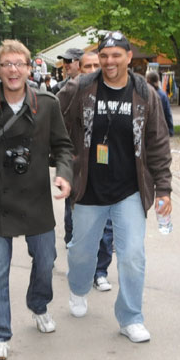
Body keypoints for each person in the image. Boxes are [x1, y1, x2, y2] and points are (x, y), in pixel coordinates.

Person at [0, 40, 74, 360]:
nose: (13, 70)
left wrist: (64, 173)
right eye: (6, 64)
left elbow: (63, 146)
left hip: (36, 199)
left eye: (19, 64)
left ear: (29, 68)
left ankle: (38, 304)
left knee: (46, 260)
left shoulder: (46, 103)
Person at [58, 31, 172, 343]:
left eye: (116, 55)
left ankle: (131, 317)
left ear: (128, 57)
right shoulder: (80, 88)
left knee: (133, 254)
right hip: (88, 188)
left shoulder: (144, 93)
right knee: (81, 251)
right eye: (104, 55)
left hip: (129, 190)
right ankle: (79, 289)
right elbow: (58, 129)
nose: (109, 61)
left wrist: (164, 189)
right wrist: (65, 168)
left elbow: (158, 143)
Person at [61, 49, 116, 292]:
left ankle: (101, 271)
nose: (93, 71)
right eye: (88, 66)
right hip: (79, 171)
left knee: (107, 225)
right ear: (79, 70)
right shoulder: (71, 93)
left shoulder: (118, 92)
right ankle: (79, 264)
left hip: (108, 169)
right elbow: (55, 123)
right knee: (77, 224)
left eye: (97, 65)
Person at [146, 71, 175, 137]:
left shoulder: (145, 94)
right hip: (160, 129)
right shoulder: (163, 95)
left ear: (148, 80)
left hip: (148, 129)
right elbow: (168, 114)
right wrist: (170, 130)